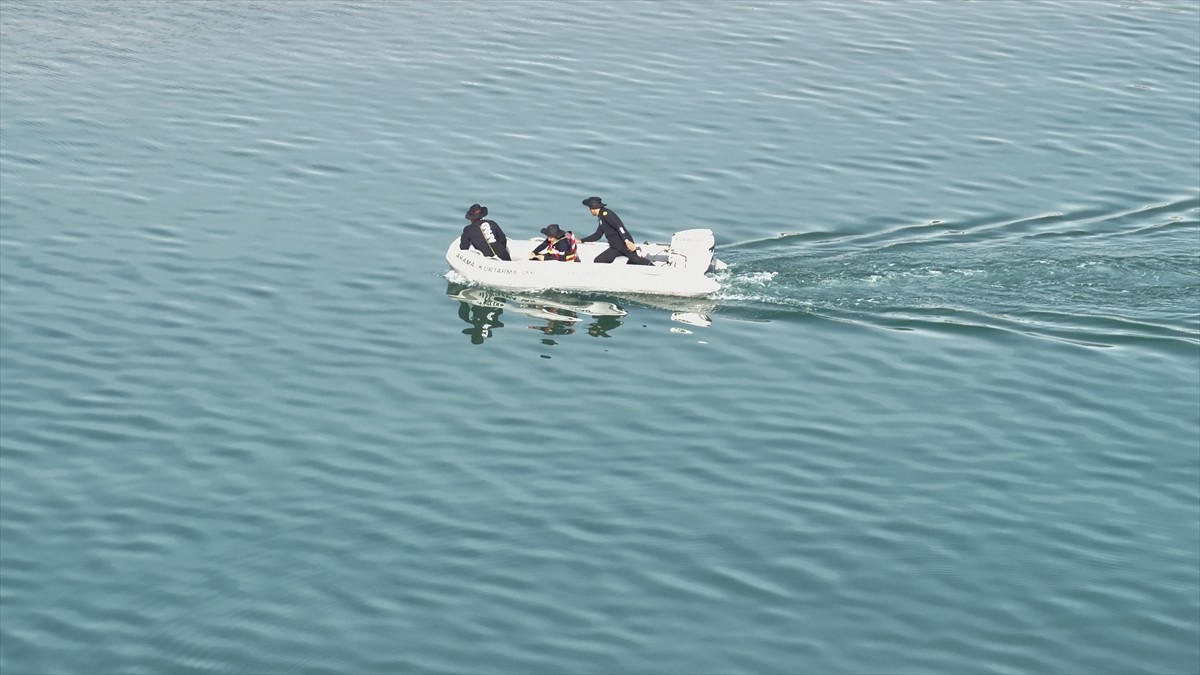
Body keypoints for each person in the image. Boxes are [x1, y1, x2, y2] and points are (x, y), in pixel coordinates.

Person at [579, 196, 654, 265]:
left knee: (635, 260)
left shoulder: (606, 214)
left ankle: (653, 267)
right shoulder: (601, 217)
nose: (590, 211)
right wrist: (581, 240)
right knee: (599, 260)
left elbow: (619, 226)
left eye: (590, 208)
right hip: (615, 247)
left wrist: (627, 241)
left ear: (593, 208)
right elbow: (597, 235)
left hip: (624, 245)